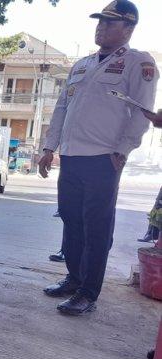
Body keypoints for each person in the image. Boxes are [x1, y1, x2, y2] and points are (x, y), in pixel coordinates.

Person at [38, 0, 158, 315]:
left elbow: (142, 111)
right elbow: (62, 108)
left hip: (104, 158)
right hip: (72, 156)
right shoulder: (82, 65)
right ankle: (74, 279)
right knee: (71, 220)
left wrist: (123, 150)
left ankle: (89, 293)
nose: (100, 27)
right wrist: (49, 148)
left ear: (128, 28)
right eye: (99, 22)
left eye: (109, 23)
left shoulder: (138, 63)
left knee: (96, 227)